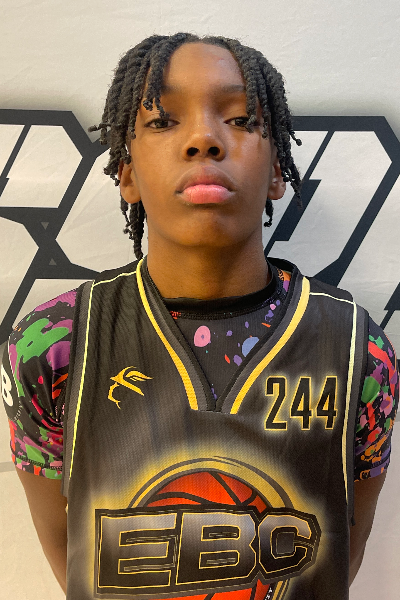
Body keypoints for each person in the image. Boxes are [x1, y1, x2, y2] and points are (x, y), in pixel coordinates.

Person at [1, 33, 398, 600]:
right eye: (163, 121)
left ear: (278, 171)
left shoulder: (359, 349)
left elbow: (342, 549)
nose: (204, 139)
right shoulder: (52, 346)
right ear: (127, 173)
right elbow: (70, 548)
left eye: (239, 119)